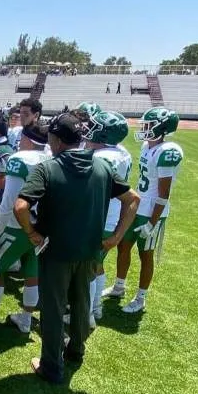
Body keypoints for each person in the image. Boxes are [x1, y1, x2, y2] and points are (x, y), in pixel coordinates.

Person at [14, 113, 139, 386]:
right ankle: (76, 351)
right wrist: (116, 237)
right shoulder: (102, 167)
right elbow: (132, 200)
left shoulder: (47, 168)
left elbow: (21, 206)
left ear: (56, 140)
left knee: (53, 307)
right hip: (90, 250)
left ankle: (51, 366)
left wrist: (32, 233)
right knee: (82, 303)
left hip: (56, 252)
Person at [103, 108, 183, 313]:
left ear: (161, 127)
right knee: (123, 246)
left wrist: (152, 222)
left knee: (145, 254)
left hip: (152, 212)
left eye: (149, 125)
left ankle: (141, 298)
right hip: (138, 207)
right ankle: (119, 286)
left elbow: (164, 193)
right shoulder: (147, 146)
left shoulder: (168, 151)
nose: (145, 128)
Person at [0, 121, 50, 333]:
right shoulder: (50, 158)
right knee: (32, 271)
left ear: (28, 139)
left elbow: (8, 203)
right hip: (41, 227)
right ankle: (26, 319)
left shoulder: (20, 159)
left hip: (16, 226)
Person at [79, 109, 133, 320]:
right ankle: (95, 308)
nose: (88, 129)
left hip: (98, 218)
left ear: (104, 133)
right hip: (110, 216)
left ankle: (87, 313)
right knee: (96, 265)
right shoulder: (121, 152)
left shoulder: (102, 157)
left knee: (88, 268)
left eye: (94, 126)